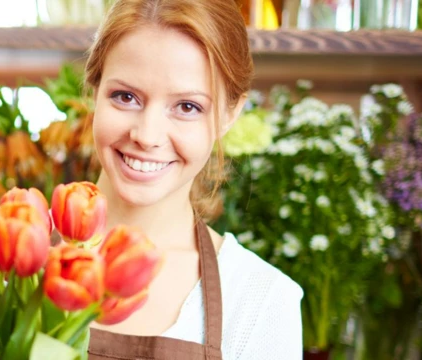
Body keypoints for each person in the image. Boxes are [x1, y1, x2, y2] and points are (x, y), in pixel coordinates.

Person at [84, 0, 304, 358]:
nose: (147, 135)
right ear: (95, 92)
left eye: (187, 107)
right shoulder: (2, 261)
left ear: (229, 114)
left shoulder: (260, 300)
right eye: (126, 97)